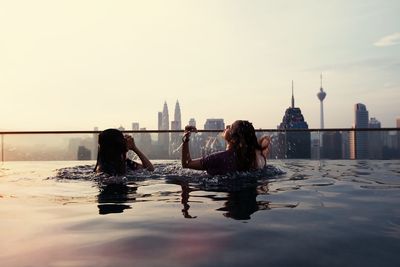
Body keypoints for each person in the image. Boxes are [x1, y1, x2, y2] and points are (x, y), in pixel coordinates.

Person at [181, 120, 270, 175]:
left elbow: (186, 164)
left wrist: (186, 138)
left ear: (234, 139)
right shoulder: (256, 158)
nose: (226, 127)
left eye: (230, 127)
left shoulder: (219, 158)